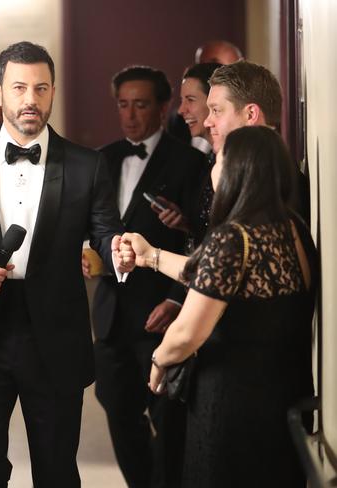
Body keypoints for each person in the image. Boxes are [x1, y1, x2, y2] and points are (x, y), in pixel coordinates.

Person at [0, 41, 128, 488]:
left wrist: (119, 251)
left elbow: (106, 231)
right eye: (19, 87)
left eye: (41, 88)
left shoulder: (86, 165)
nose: (30, 99)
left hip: (55, 336)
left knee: (56, 471)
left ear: (53, 91)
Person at [119, 126, 318, 487]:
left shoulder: (233, 237)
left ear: (237, 169)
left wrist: (158, 360)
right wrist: (151, 257)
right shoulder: (292, 228)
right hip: (285, 400)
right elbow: (215, 279)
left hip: (233, 409)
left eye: (219, 157)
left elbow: (186, 333)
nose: (213, 165)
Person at [88, 65, 205, 488]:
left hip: (162, 312)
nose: (130, 115)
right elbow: (93, 227)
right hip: (110, 312)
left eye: (140, 104)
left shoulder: (191, 162)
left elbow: (204, 241)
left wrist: (177, 298)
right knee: (117, 410)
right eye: (123, 105)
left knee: (169, 420)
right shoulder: (103, 158)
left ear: (163, 106)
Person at [205, 60, 310, 222]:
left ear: (251, 114)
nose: (207, 122)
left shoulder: (275, 185)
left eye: (216, 110)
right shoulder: (266, 171)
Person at [158, 63, 221, 249]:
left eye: (190, 100)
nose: (180, 110)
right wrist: (185, 223)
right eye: (182, 100)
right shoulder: (209, 158)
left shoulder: (234, 162)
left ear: (214, 103)